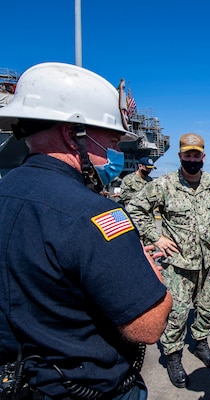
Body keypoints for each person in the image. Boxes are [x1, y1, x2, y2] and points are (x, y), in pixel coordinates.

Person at [0, 62, 172, 399]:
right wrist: (153, 277)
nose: (115, 152)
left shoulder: (6, 192)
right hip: (82, 387)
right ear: (72, 133)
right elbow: (148, 326)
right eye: (110, 140)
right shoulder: (95, 215)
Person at [127, 133, 210, 388]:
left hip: (208, 262)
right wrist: (156, 237)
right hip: (178, 265)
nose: (192, 159)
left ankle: (201, 344)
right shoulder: (163, 185)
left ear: (203, 157)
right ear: (180, 156)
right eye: (188, 155)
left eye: (196, 155)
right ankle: (173, 355)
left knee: (207, 310)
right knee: (176, 314)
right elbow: (134, 209)